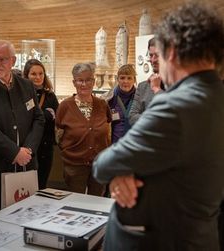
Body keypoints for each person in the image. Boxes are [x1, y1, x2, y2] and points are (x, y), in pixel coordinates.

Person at [93, 2, 224, 250]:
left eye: (159, 56)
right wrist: (127, 169)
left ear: (171, 51)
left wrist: (121, 169)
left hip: (160, 238)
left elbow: (103, 165)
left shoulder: (176, 106)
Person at [0, 40, 45, 217]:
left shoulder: (26, 86)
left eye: (2, 59)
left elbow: (38, 118)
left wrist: (28, 150)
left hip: (26, 165)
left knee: (26, 215)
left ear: (13, 61)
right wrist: (14, 152)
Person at [55, 62, 111, 196]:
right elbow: (58, 138)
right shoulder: (64, 106)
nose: (84, 84)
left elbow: (108, 132)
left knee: (97, 204)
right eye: (80, 80)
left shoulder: (102, 105)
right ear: (74, 82)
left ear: (94, 81)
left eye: (88, 80)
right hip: (74, 167)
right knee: (75, 203)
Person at [23, 59, 59, 189]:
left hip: (46, 147)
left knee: (42, 184)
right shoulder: (21, 95)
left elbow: (56, 118)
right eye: (33, 74)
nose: (38, 77)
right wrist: (46, 115)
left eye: (41, 73)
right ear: (26, 75)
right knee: (26, 187)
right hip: (27, 148)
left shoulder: (50, 96)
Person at [129, 37, 165, 125]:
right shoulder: (143, 87)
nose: (153, 60)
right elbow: (132, 117)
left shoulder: (178, 85)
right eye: (151, 55)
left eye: (157, 55)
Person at [108, 64, 136, 144]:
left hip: (135, 146)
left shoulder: (140, 98)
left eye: (129, 78)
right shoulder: (108, 99)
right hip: (115, 146)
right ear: (117, 79)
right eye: (122, 78)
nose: (125, 81)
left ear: (134, 80)